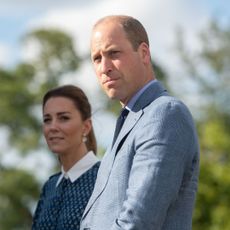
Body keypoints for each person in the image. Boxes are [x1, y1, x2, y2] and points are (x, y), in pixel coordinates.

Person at [80, 15, 200, 230]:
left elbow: (138, 221)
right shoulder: (128, 121)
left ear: (144, 53)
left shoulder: (165, 114)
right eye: (97, 58)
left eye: (113, 53)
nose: (104, 67)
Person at [32, 85, 100, 230]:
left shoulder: (105, 178)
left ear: (86, 126)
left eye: (63, 118)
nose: (52, 127)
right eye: (47, 120)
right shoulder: (49, 186)